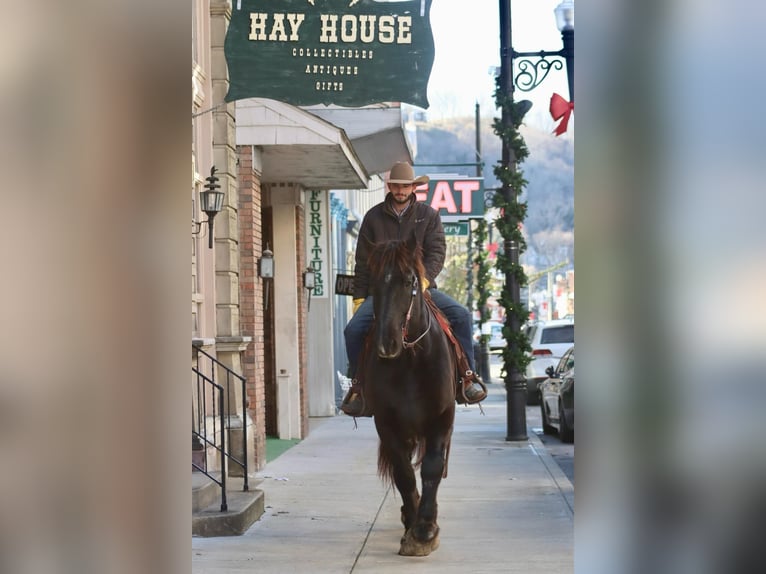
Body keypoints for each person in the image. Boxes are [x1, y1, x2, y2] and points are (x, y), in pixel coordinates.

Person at [340, 161, 487, 417]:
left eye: (405, 186)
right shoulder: (373, 218)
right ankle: (359, 386)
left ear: (413, 187)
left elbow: (437, 253)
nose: (400, 190)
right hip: (382, 293)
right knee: (353, 331)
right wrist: (360, 297)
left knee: (461, 316)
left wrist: (424, 279)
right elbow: (362, 261)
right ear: (390, 186)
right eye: (396, 185)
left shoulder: (428, 215)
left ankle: (467, 377)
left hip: (422, 288)